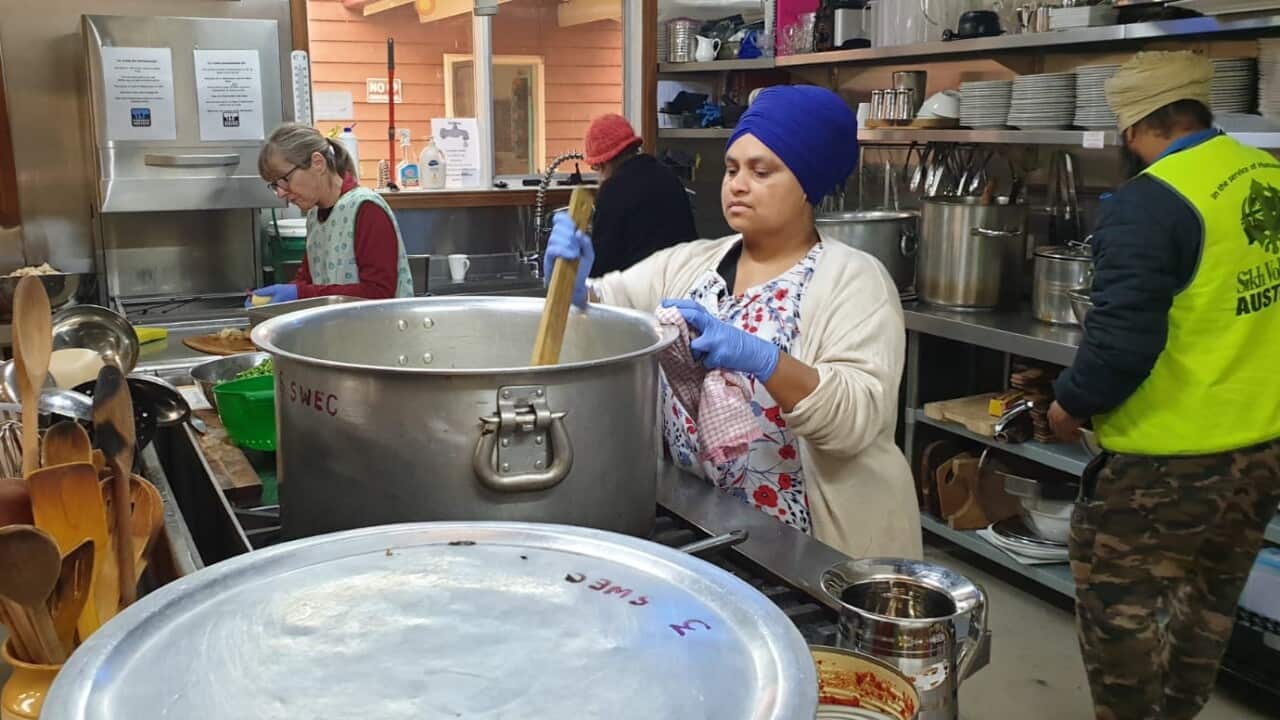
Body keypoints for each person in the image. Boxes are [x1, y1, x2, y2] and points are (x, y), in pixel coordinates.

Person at [545, 86, 921, 560]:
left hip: (816, 549)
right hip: (708, 526)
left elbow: (855, 419)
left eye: (761, 171)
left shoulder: (856, 281)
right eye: (731, 169)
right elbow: (606, 314)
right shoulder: (694, 263)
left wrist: (765, 361)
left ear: (808, 182)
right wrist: (575, 285)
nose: (737, 184)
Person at [1047, 51, 1280, 720]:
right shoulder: (1267, 171)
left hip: (1166, 462)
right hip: (1262, 449)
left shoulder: (1152, 199)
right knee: (1208, 605)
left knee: (1119, 617)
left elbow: (1121, 343)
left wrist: (1070, 401)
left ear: (1132, 129)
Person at [251, 123, 414, 305]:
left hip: (379, 331)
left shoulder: (366, 209)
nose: (281, 193)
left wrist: (299, 293)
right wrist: (279, 298)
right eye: (275, 185)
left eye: (284, 180)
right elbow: (308, 280)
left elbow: (379, 292)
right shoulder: (314, 216)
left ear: (318, 163)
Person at [583, 114, 698, 276]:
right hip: (684, 281)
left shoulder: (612, 190)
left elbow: (601, 267)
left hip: (641, 293)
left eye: (596, 169)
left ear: (603, 163)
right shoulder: (666, 175)